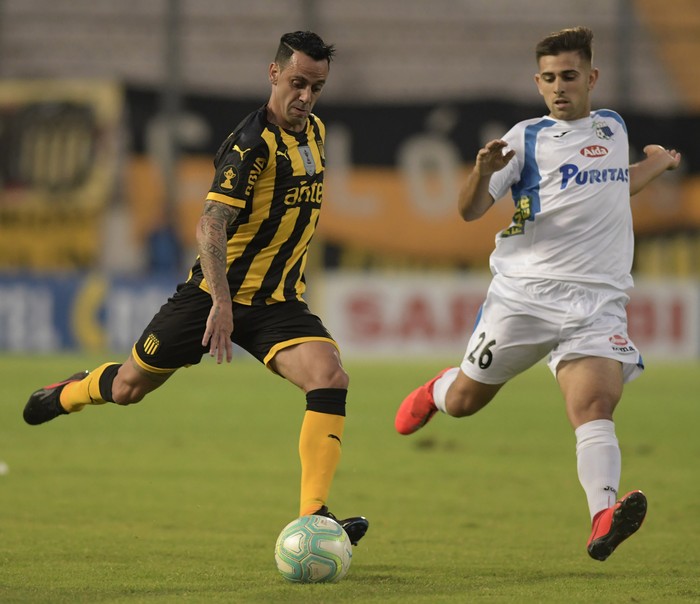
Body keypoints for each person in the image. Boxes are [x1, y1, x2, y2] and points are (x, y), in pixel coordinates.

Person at [24, 31, 368, 546]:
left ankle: (315, 516)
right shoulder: (250, 145)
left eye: (316, 87)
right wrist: (222, 305)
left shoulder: (314, 131)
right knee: (128, 388)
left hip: (277, 303)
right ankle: (69, 392)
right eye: (297, 83)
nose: (305, 97)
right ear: (273, 74)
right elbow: (211, 224)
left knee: (330, 378)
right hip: (212, 297)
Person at [395, 26, 680, 561]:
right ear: (538, 82)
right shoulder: (523, 139)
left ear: (591, 78)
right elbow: (470, 211)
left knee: (594, 405)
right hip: (523, 299)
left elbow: (615, 183)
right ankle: (439, 389)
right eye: (548, 79)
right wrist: (481, 174)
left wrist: (658, 165)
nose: (558, 88)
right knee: (465, 403)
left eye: (569, 76)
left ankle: (601, 518)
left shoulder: (613, 127)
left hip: (596, 302)